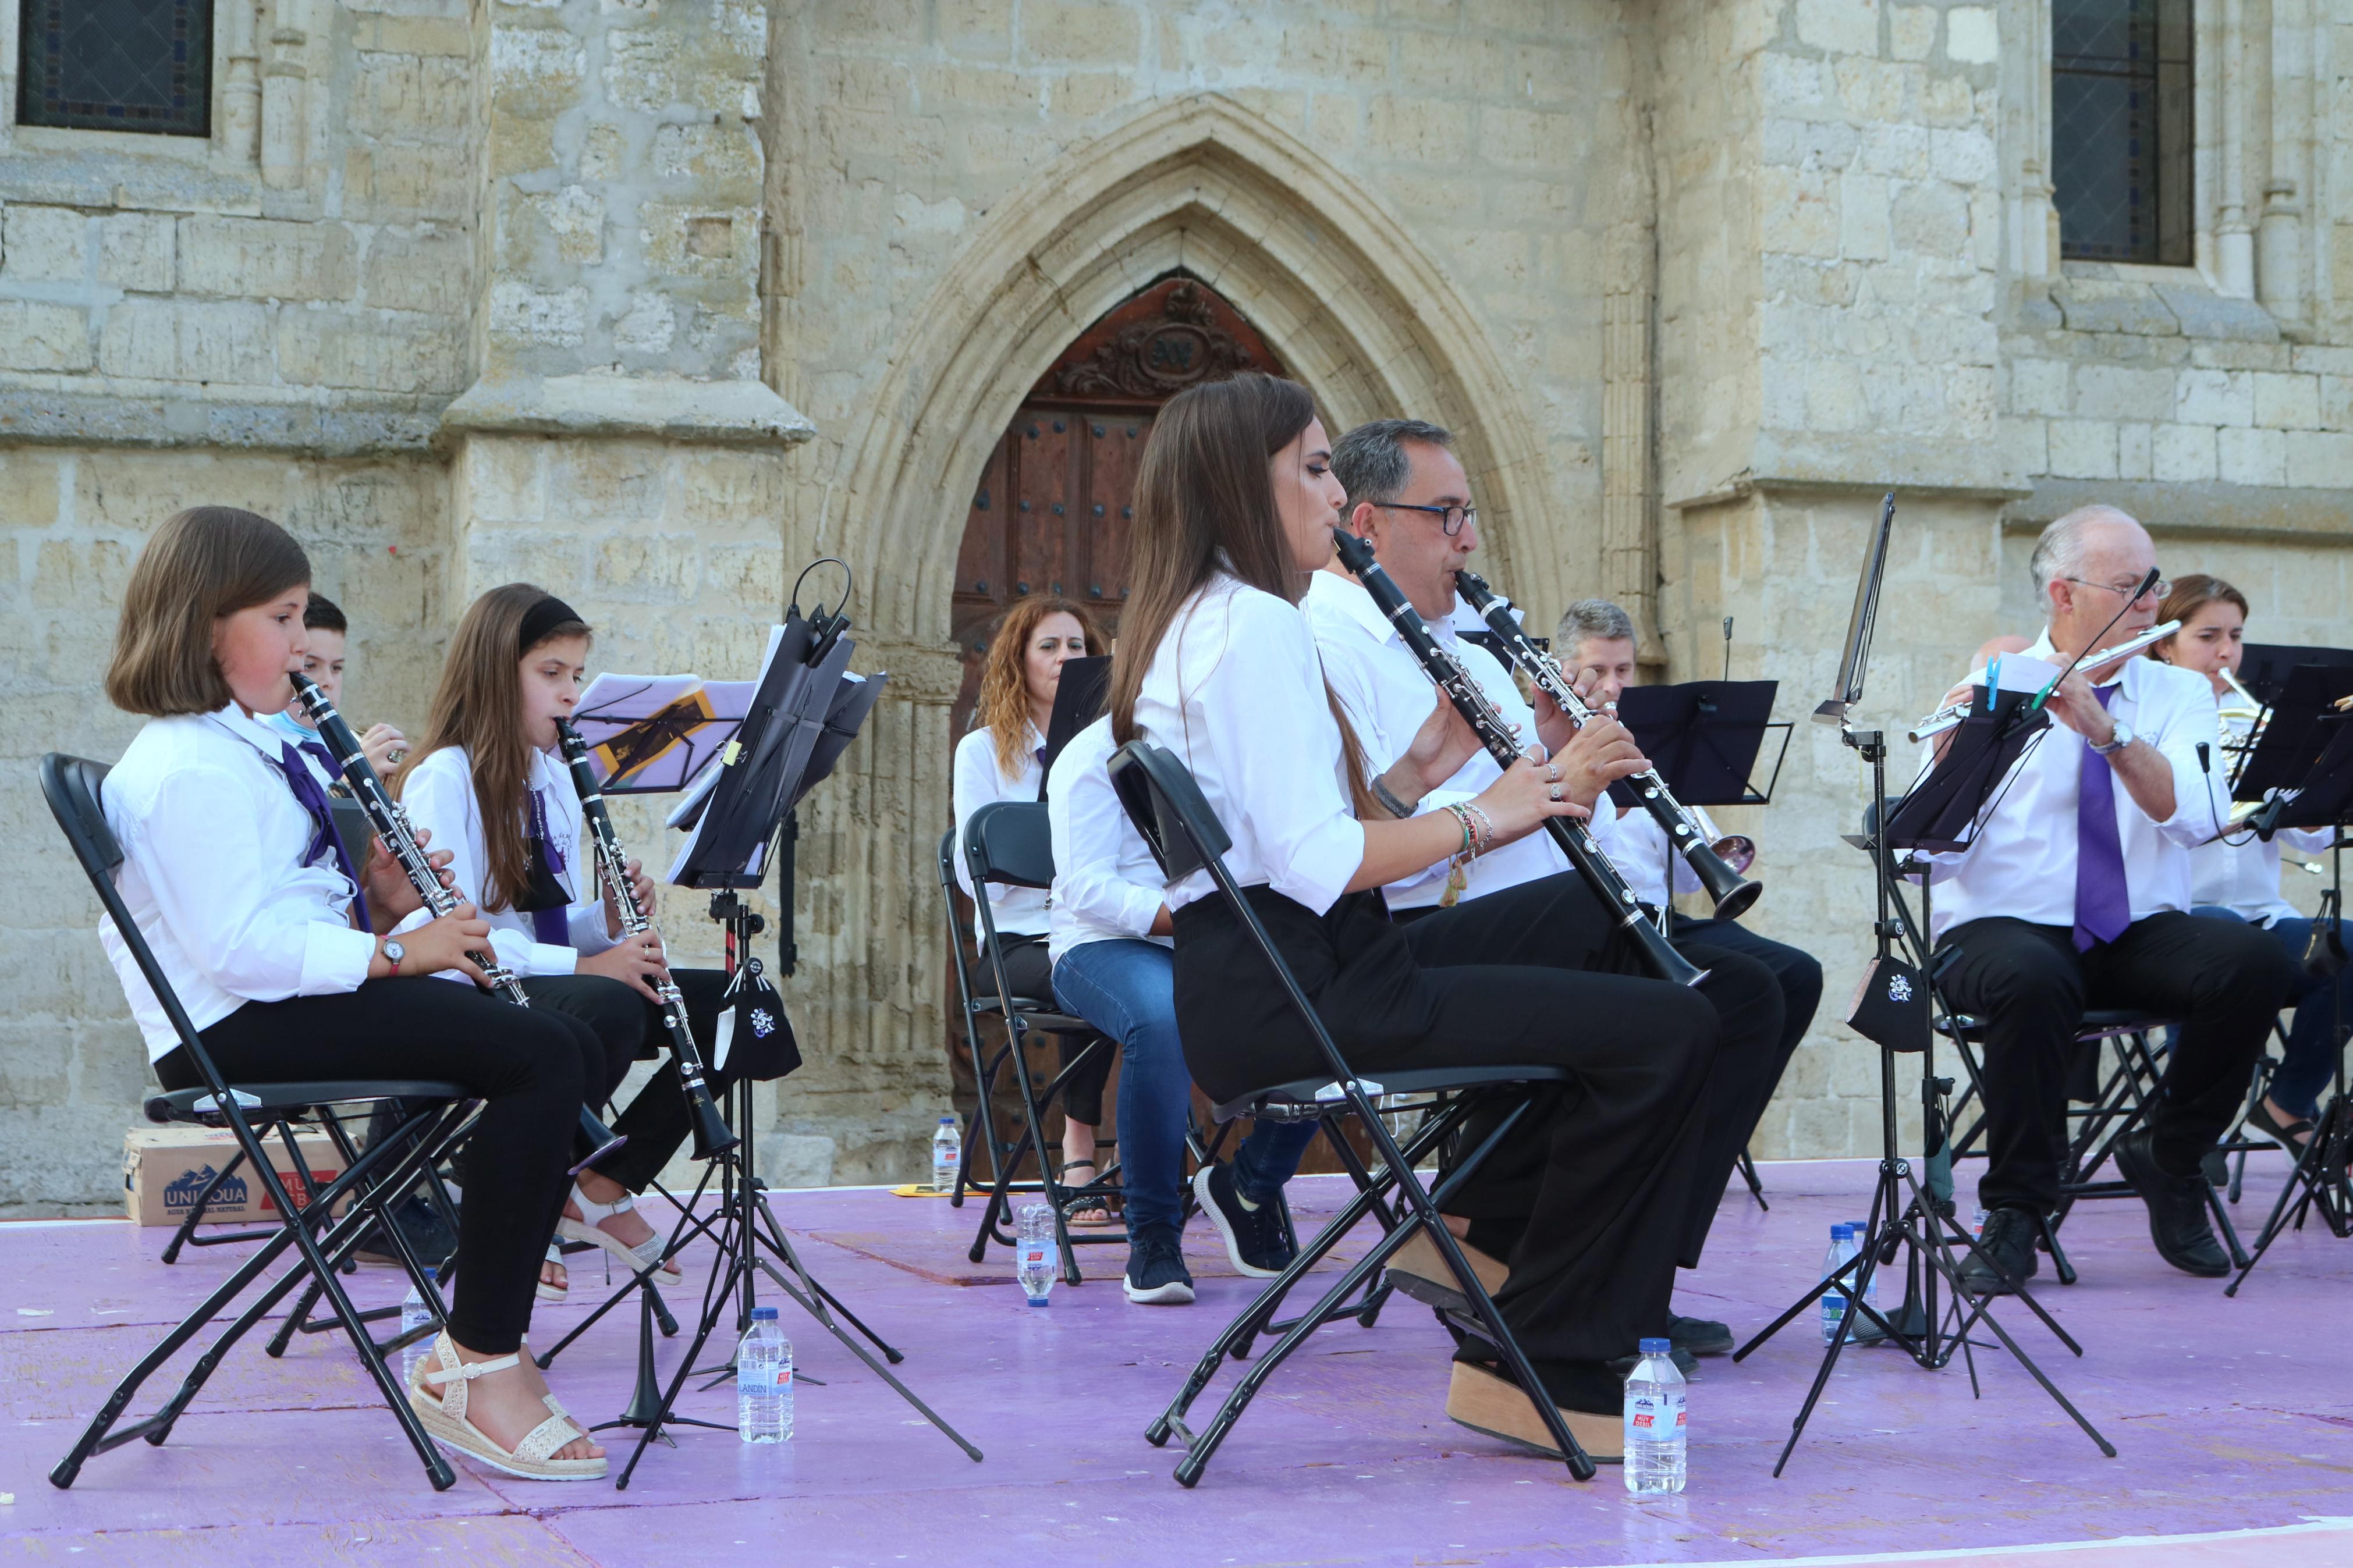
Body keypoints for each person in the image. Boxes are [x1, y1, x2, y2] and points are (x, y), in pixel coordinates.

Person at [1111, 372, 1719, 1461]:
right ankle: (1541, 1350)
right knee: (1669, 1033)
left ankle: (1478, 1241)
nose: (1332, 493)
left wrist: (1438, 761)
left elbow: (1292, 833)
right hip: (1314, 988)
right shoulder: (1254, 627)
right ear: (1235, 484)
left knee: (1597, 924)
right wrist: (1495, 812)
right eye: (1309, 468)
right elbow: (1319, 860)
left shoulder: (1199, 620)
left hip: (1274, 976)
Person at [97, 506, 606, 1479]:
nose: (303, 646)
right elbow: (238, 951)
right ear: (207, 626)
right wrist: (397, 955)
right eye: (283, 620)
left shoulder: (240, 744)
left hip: (275, 1004)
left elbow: (282, 910)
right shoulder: (185, 766)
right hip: (237, 1029)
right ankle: (477, 1361)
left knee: (562, 1042)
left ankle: (490, 1329)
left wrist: (377, 903)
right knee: (538, 1052)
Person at [1309, 419, 1784, 1362]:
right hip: (1427, 924)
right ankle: (1531, 1266)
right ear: (1365, 522)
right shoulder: (1328, 639)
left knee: (1776, 985)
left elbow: (1554, 806)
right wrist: (1548, 785)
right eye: (1445, 515)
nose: (1469, 540)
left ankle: (1627, 1274)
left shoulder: (1474, 642)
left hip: (1541, 904)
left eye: (1468, 515)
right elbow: (1384, 823)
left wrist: (1597, 781)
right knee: (1694, 1000)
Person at [1921, 507, 2295, 1291]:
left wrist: (2106, 733)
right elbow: (1924, 855)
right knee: (2031, 974)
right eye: (2129, 586)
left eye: (2152, 582)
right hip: (2001, 930)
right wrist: (1959, 757)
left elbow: (2192, 821)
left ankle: (2170, 1151)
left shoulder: (2173, 693)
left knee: (2252, 956)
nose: (2150, 602)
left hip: (2126, 931)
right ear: (2062, 593)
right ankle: (2016, 1210)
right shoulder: (1991, 687)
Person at [395, 586, 794, 1301]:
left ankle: (603, 1182)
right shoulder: (442, 779)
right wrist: (592, 963)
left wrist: (602, 920)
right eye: (552, 674)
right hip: (472, 987)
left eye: (576, 675)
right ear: (494, 672)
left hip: (541, 975)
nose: (571, 695)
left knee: (744, 1002)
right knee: (607, 1003)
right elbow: (463, 935)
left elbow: (536, 917)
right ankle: (524, 1180)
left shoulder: (549, 779)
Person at [1046, 713, 1322, 1303]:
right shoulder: (1093, 752)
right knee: (1162, 1019)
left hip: (1212, 937)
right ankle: (1153, 1237)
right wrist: (1200, 922)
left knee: (1323, 1004)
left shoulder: (1234, 739)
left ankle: (1247, 1189)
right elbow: (1085, 886)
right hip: (1102, 942)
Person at [1552, 597, 1825, 1144]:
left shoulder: (1646, 743)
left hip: (1664, 922)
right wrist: (1602, 797)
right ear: (1563, 672)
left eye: (1623, 671)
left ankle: (1712, 1134)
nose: (1612, 686)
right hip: (1594, 925)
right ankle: (1670, 1138)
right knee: (1732, 989)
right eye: (1596, 671)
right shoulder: (1543, 745)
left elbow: (1685, 881)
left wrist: (1675, 794)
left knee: (1796, 973)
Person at [2150, 575, 2347, 1153]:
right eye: (2206, 635)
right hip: (2175, 921)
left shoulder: (2258, 721)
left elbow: (2309, 839)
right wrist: (2229, 807)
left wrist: (2311, 803)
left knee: (2348, 948)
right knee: (2224, 943)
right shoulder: (2147, 723)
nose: (2225, 653)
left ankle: (2284, 1103)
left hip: (2261, 916)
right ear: (2165, 643)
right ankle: (2188, 1128)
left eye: (2233, 636)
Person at [951, 595, 1117, 1218]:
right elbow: (978, 879)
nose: (1064, 657)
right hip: (1016, 943)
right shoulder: (982, 751)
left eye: (1076, 646)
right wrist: (1059, 871)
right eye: (1048, 645)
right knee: (1097, 975)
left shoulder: (1111, 748)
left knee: (1130, 968)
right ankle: (1080, 1152)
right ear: (1018, 659)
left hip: (1093, 928)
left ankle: (1141, 1157)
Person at [263, 591, 405, 786]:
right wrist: (354, 779)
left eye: (336, 668)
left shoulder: (350, 743)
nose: (328, 681)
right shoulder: (259, 746)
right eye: (310, 666)